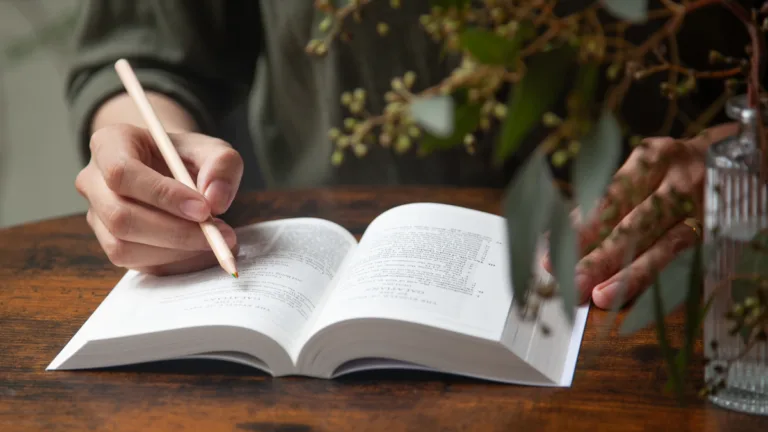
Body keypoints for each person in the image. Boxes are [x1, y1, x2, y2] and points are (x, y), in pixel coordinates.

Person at [67, 0, 747, 309]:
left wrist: (744, 165)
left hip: (658, 295)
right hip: (311, 274)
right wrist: (143, 151)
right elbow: (149, 49)